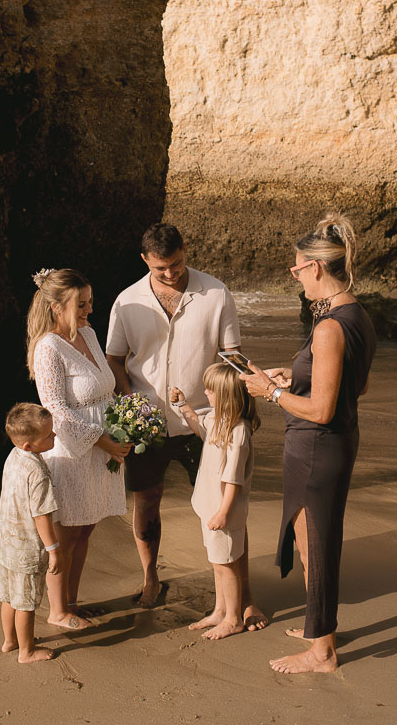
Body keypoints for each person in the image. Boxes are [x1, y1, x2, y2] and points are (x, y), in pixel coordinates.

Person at [106, 223, 267, 629]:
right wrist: (128, 403)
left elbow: (232, 355)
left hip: (209, 422)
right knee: (146, 502)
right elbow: (115, 358)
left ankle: (244, 599)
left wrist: (261, 388)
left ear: (185, 251)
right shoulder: (126, 302)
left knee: (225, 512)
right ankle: (150, 580)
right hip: (148, 423)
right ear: (145, 260)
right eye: (161, 268)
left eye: (176, 264)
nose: (171, 274)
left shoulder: (216, 292)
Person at [242, 213, 376, 674]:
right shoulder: (356, 314)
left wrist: (273, 392)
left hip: (318, 445)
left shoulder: (328, 327)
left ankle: (322, 653)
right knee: (309, 542)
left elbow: (321, 409)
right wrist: (295, 375)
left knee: (317, 545)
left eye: (297, 268)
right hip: (334, 442)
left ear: (316, 268)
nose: (294, 275)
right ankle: (319, 625)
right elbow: (354, 387)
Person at [27, 268, 130, 631]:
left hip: (102, 448)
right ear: (57, 307)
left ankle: (70, 601)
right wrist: (103, 440)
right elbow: (55, 409)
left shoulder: (88, 332)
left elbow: (105, 389)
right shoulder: (47, 348)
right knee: (66, 533)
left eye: (90, 302)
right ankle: (57, 611)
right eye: (81, 304)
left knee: (86, 528)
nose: (89, 310)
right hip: (71, 453)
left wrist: (126, 424)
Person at [170, 363, 260, 640]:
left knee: (227, 565)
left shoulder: (239, 430)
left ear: (227, 395)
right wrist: (183, 405)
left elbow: (234, 479)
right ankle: (221, 611)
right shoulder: (217, 419)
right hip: (208, 505)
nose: (206, 392)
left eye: (211, 389)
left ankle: (233, 618)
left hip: (224, 511)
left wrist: (224, 512)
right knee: (217, 562)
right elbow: (199, 427)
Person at [0, 402, 61, 664]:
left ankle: (9, 641)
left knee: (9, 597)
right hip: (26, 550)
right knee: (26, 603)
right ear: (29, 446)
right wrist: (53, 549)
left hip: (6, 542)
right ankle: (26, 651)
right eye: (49, 435)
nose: (54, 436)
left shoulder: (13, 456)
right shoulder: (38, 473)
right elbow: (41, 515)